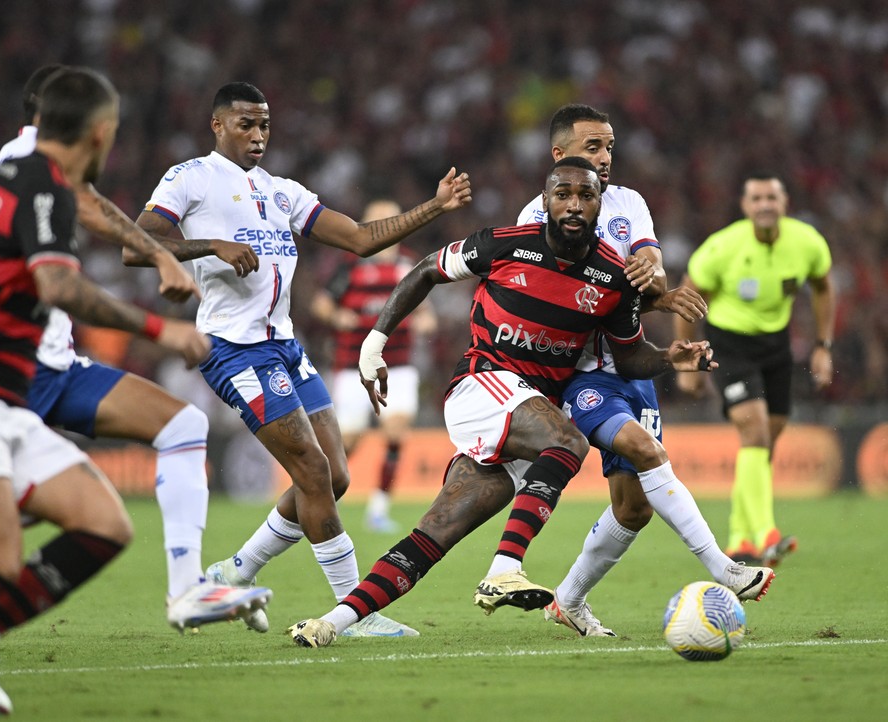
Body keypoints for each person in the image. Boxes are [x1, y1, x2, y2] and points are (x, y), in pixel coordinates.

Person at [0, 67, 264, 717]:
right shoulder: (29, 170)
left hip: (36, 370)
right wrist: (163, 326)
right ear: (100, 132)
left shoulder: (29, 179)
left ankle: (177, 590)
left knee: (106, 514)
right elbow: (59, 285)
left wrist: (162, 256)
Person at [285, 157, 720, 648]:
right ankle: (505, 568)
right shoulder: (504, 243)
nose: (574, 204)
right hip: (482, 385)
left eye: (586, 196)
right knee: (569, 441)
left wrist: (669, 359)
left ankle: (331, 623)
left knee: (437, 532)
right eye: (563, 194)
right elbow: (427, 270)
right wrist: (375, 340)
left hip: (526, 416)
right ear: (546, 200)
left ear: (601, 204)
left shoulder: (614, 279)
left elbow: (629, 356)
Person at [127, 82, 471, 638]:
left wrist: (435, 206)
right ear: (217, 126)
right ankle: (356, 613)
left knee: (333, 476)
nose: (258, 135)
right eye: (245, 124)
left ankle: (235, 571)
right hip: (234, 349)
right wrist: (209, 246)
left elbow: (360, 239)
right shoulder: (189, 178)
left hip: (285, 348)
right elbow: (137, 244)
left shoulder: (280, 191)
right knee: (310, 470)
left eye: (264, 125)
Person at [471, 103, 774, 638]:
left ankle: (568, 600)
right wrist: (623, 284)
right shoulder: (532, 219)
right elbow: (553, 300)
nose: (605, 158)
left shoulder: (629, 203)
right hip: (581, 371)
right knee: (645, 449)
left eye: (609, 147)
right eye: (592, 147)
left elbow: (650, 271)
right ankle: (723, 567)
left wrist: (652, 273)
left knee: (634, 508)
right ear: (558, 155)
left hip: (635, 363)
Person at [675, 172, 835, 566]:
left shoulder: (807, 243)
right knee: (755, 430)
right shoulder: (724, 247)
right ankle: (767, 533)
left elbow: (823, 286)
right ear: (745, 207)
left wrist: (822, 346)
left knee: (762, 444)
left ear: (784, 204)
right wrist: (687, 361)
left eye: (771, 198)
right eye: (757, 198)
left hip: (775, 346)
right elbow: (687, 293)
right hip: (728, 345)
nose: (765, 205)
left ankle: (738, 539)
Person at [310, 199, 438, 533]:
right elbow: (321, 303)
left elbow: (426, 311)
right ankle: (319, 503)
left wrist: (425, 321)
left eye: (388, 219)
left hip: (396, 365)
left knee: (395, 432)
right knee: (346, 444)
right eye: (376, 219)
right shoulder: (350, 265)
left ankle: (378, 510)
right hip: (352, 366)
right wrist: (337, 315)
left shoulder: (409, 264)